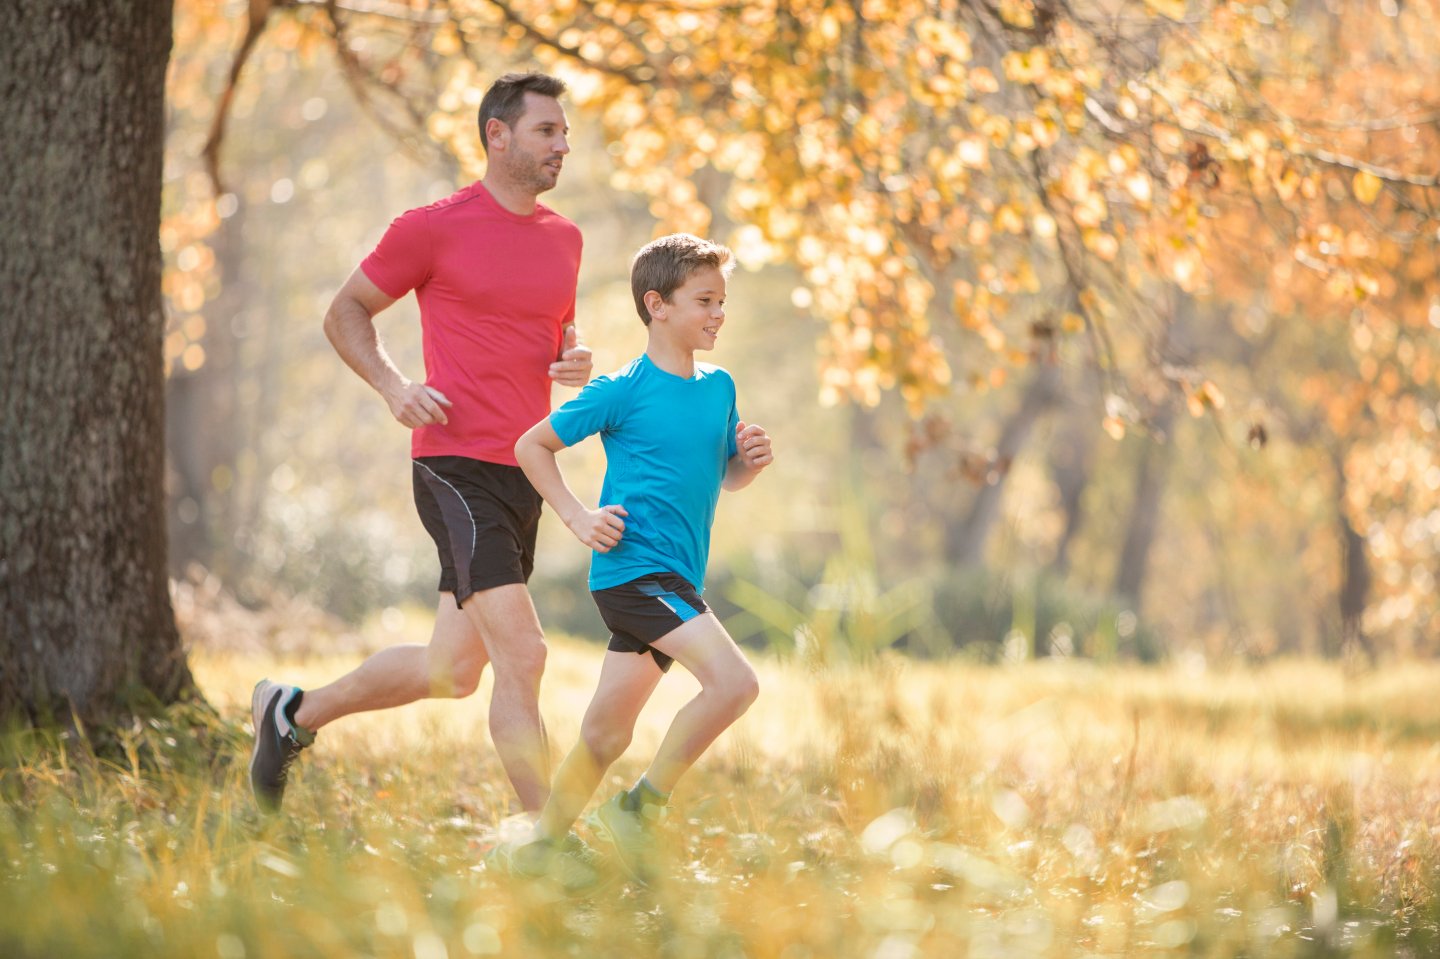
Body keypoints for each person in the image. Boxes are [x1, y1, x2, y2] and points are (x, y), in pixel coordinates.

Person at [249, 72, 594, 819]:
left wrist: (576, 364)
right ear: (497, 135)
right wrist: (394, 385)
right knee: (525, 654)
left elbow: (557, 341)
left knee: (452, 670)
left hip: (525, 468)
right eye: (547, 131)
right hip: (454, 463)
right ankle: (558, 840)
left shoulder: (566, 238)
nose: (562, 145)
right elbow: (345, 312)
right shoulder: (432, 226)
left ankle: (290, 715)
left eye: (564, 133)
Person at [504, 233, 773, 883]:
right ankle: (638, 810)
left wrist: (748, 464)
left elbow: (721, 475)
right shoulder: (622, 388)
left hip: (674, 575)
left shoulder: (719, 387)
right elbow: (531, 445)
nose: (718, 314)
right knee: (735, 683)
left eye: (722, 301)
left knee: (605, 734)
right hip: (634, 569)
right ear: (658, 305)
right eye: (704, 300)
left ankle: (541, 848)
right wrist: (577, 515)